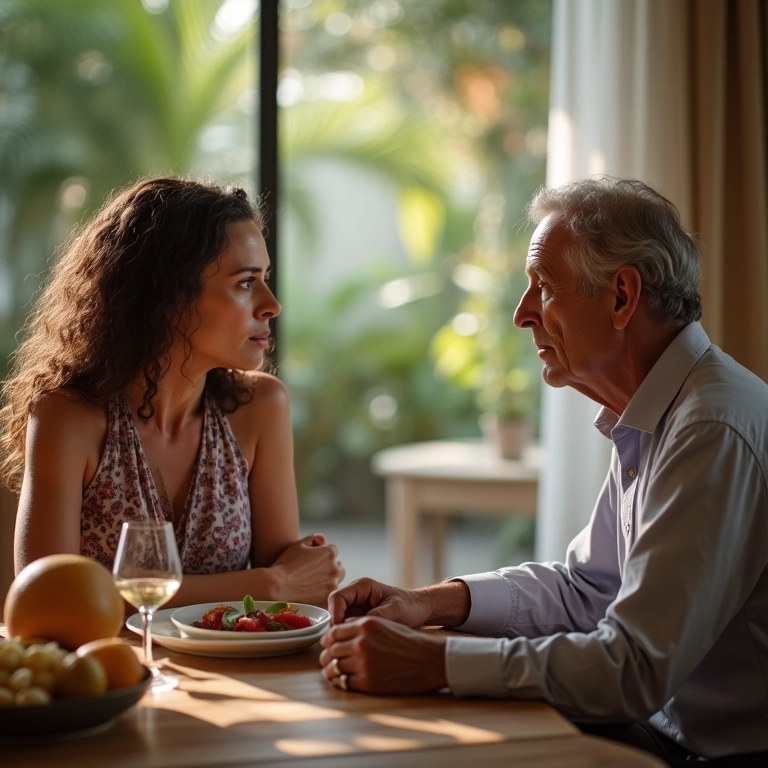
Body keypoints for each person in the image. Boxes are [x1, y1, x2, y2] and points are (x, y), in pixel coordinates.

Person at [318, 177, 768, 764]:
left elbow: (632, 670)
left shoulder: (710, 426)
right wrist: (428, 604)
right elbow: (590, 589)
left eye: (544, 287)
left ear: (620, 297)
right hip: (657, 736)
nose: (520, 313)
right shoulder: (661, 409)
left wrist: (432, 661)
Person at [0, 176, 344, 607]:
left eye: (265, 278)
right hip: (116, 674)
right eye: (244, 282)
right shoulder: (67, 415)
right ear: (169, 296)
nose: (271, 303)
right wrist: (263, 585)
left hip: (233, 674)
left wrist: (285, 580)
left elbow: (290, 593)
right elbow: (47, 598)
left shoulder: (261, 408)